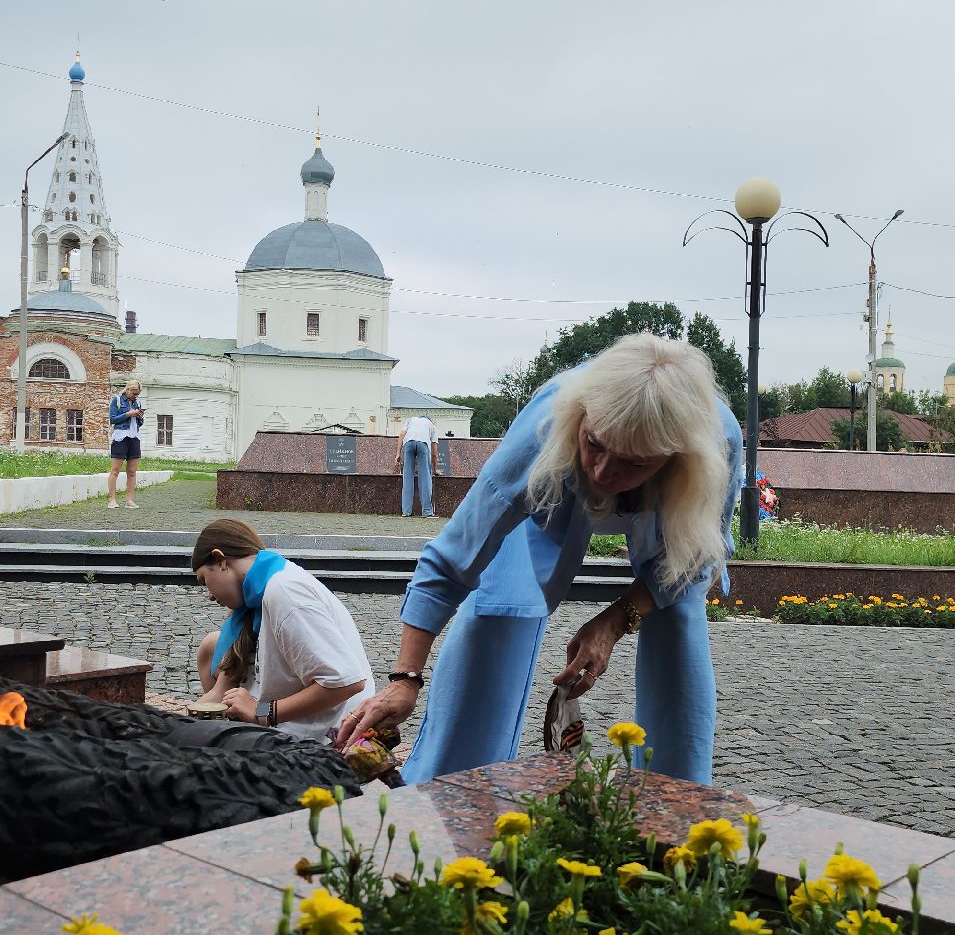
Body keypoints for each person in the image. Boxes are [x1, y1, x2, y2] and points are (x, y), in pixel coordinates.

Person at [335, 333, 744, 784]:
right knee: (497, 609)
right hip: (553, 488)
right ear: (581, 418)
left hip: (675, 519)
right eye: (596, 444)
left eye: (631, 462)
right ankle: (452, 790)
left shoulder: (714, 442)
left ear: (674, 458)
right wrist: (404, 678)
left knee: (678, 622)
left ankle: (678, 803)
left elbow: (689, 565)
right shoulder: (551, 419)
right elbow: (456, 555)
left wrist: (614, 621)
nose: (604, 473)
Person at [191, 519, 375, 744]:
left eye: (203, 580)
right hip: (294, 733)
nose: (209, 595)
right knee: (211, 645)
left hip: (326, 742)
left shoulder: (284, 592)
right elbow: (218, 693)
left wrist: (263, 711)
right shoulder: (255, 600)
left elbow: (346, 682)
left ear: (220, 560)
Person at [107, 380, 143, 509]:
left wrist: (139, 416)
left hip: (135, 437)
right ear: (127, 390)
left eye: (137, 394)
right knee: (115, 470)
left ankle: (129, 500)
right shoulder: (116, 401)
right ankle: (112, 500)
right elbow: (112, 419)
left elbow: (140, 423)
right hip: (121, 437)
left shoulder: (138, 402)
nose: (136, 396)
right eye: (134, 393)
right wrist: (128, 414)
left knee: (132, 471)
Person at [396, 414, 438, 518]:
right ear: (430, 420)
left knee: (407, 478)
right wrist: (435, 469)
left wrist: (398, 453)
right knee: (425, 478)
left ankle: (406, 511)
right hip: (423, 445)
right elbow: (434, 453)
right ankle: (427, 511)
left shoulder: (410, 419)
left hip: (408, 443)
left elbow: (402, 434)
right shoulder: (431, 426)